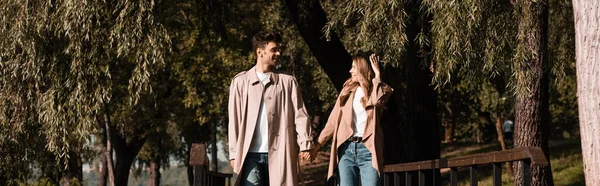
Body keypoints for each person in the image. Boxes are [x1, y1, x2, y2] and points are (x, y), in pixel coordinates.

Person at [228, 30, 314, 186]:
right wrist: (234, 154)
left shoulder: (288, 82)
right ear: (260, 52)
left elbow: (301, 115)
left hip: (281, 153)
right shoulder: (240, 82)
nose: (278, 53)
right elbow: (234, 120)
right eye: (274, 50)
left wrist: (305, 144)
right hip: (249, 156)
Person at [304, 51, 393, 186]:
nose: (350, 71)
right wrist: (318, 144)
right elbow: (333, 121)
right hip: (346, 150)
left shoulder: (380, 89)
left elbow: (376, 101)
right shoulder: (347, 91)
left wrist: (377, 76)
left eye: (354, 67)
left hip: (368, 150)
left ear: (363, 68)